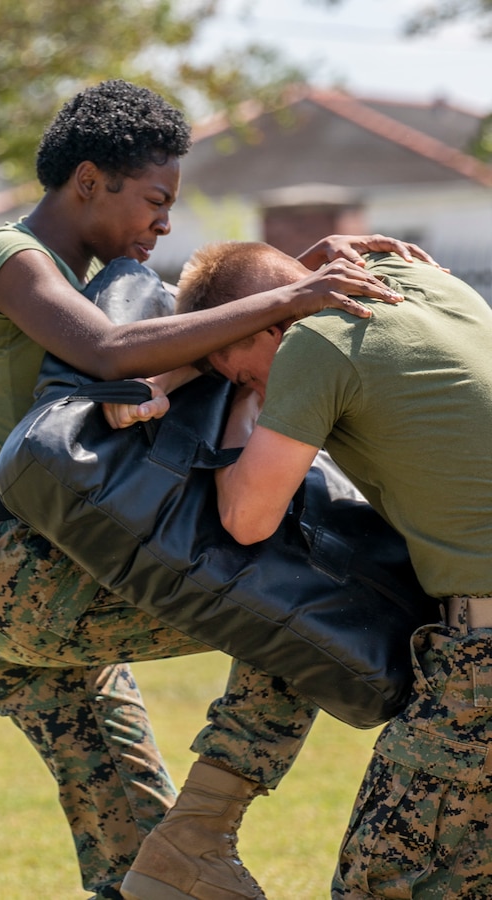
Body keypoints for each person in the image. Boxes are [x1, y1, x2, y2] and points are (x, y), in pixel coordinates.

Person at [0, 74, 441, 900]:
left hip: (16, 579)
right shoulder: (11, 258)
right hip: (19, 577)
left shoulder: (102, 289)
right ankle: (208, 830)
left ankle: (181, 853)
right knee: (310, 620)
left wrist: (285, 278)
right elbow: (111, 352)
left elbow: (192, 345)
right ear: (89, 180)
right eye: (154, 200)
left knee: (139, 858)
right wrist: (294, 294)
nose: (165, 222)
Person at [130, 238, 492, 899]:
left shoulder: (315, 341)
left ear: (276, 323)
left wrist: (234, 413)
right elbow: (274, 293)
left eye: (244, 375)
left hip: (485, 658)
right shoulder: (418, 282)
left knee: (382, 881)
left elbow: (247, 518)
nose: (256, 388)